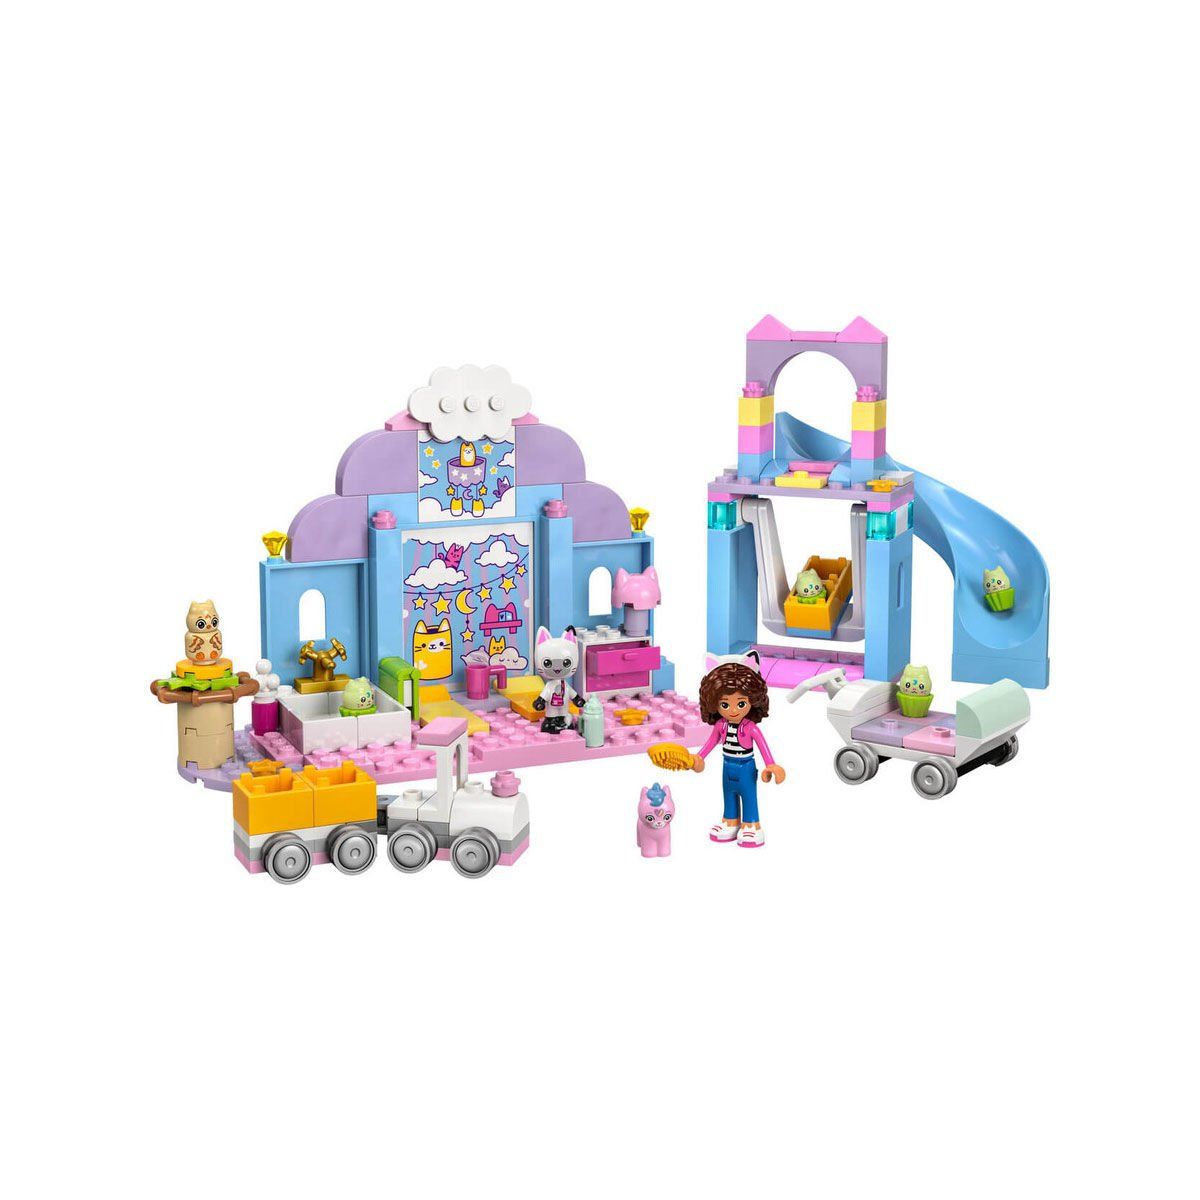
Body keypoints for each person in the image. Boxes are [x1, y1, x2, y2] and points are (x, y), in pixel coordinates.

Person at [693, 656, 786, 848]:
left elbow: (763, 746)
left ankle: (752, 824)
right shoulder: (721, 725)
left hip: (746, 767)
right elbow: (711, 742)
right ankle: (730, 821)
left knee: (749, 796)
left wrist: (771, 765)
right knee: (728, 794)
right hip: (727, 766)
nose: (733, 710)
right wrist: (699, 757)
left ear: (753, 701)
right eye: (725, 705)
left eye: (741, 704)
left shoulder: (751, 728)